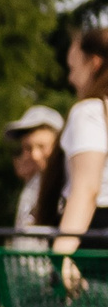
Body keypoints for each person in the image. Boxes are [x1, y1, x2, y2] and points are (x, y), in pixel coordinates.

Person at [49, 29, 108, 264]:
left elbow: (86, 189)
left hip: (95, 238)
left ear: (94, 63)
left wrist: (61, 256)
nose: (70, 78)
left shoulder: (90, 112)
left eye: (73, 68)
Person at [9, 105, 66, 239]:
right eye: (28, 148)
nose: (34, 155)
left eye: (42, 146)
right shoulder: (35, 181)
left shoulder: (67, 185)